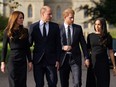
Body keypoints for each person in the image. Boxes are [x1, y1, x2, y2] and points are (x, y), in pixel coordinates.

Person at [28, 6, 61, 87]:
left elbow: (58, 44)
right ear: (42, 14)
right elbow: (28, 44)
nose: (51, 16)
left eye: (51, 14)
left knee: (53, 84)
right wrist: (30, 60)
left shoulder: (55, 26)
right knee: (39, 84)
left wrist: (58, 59)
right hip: (38, 61)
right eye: (49, 14)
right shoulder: (33, 27)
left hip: (51, 61)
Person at [0, 11, 32, 87]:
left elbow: (27, 47)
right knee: (13, 83)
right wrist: (2, 62)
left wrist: (30, 61)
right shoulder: (7, 31)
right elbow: (4, 48)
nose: (22, 19)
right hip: (12, 61)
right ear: (15, 19)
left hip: (22, 60)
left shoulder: (25, 31)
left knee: (22, 83)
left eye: (23, 18)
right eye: (20, 18)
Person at [59, 8, 89, 87]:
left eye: (73, 17)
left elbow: (83, 44)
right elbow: (54, 44)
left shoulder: (78, 28)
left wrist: (86, 57)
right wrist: (62, 47)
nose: (72, 19)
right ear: (65, 17)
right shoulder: (58, 29)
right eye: (70, 18)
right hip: (63, 60)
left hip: (75, 59)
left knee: (77, 82)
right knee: (64, 83)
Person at [86, 17, 116, 87]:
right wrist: (86, 59)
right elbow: (88, 50)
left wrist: (114, 66)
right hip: (93, 63)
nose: (97, 26)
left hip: (103, 63)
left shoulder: (108, 37)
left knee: (103, 82)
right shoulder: (90, 36)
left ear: (103, 25)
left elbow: (111, 51)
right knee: (92, 82)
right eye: (95, 24)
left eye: (99, 24)